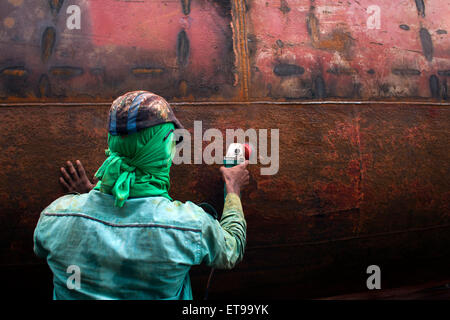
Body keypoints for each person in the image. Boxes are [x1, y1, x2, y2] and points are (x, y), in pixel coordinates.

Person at [33, 91, 249, 300]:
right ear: (163, 152)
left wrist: (89, 199)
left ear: (112, 144)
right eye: (172, 143)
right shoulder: (189, 226)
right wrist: (233, 189)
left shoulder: (54, 217)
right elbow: (232, 249)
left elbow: (54, 249)